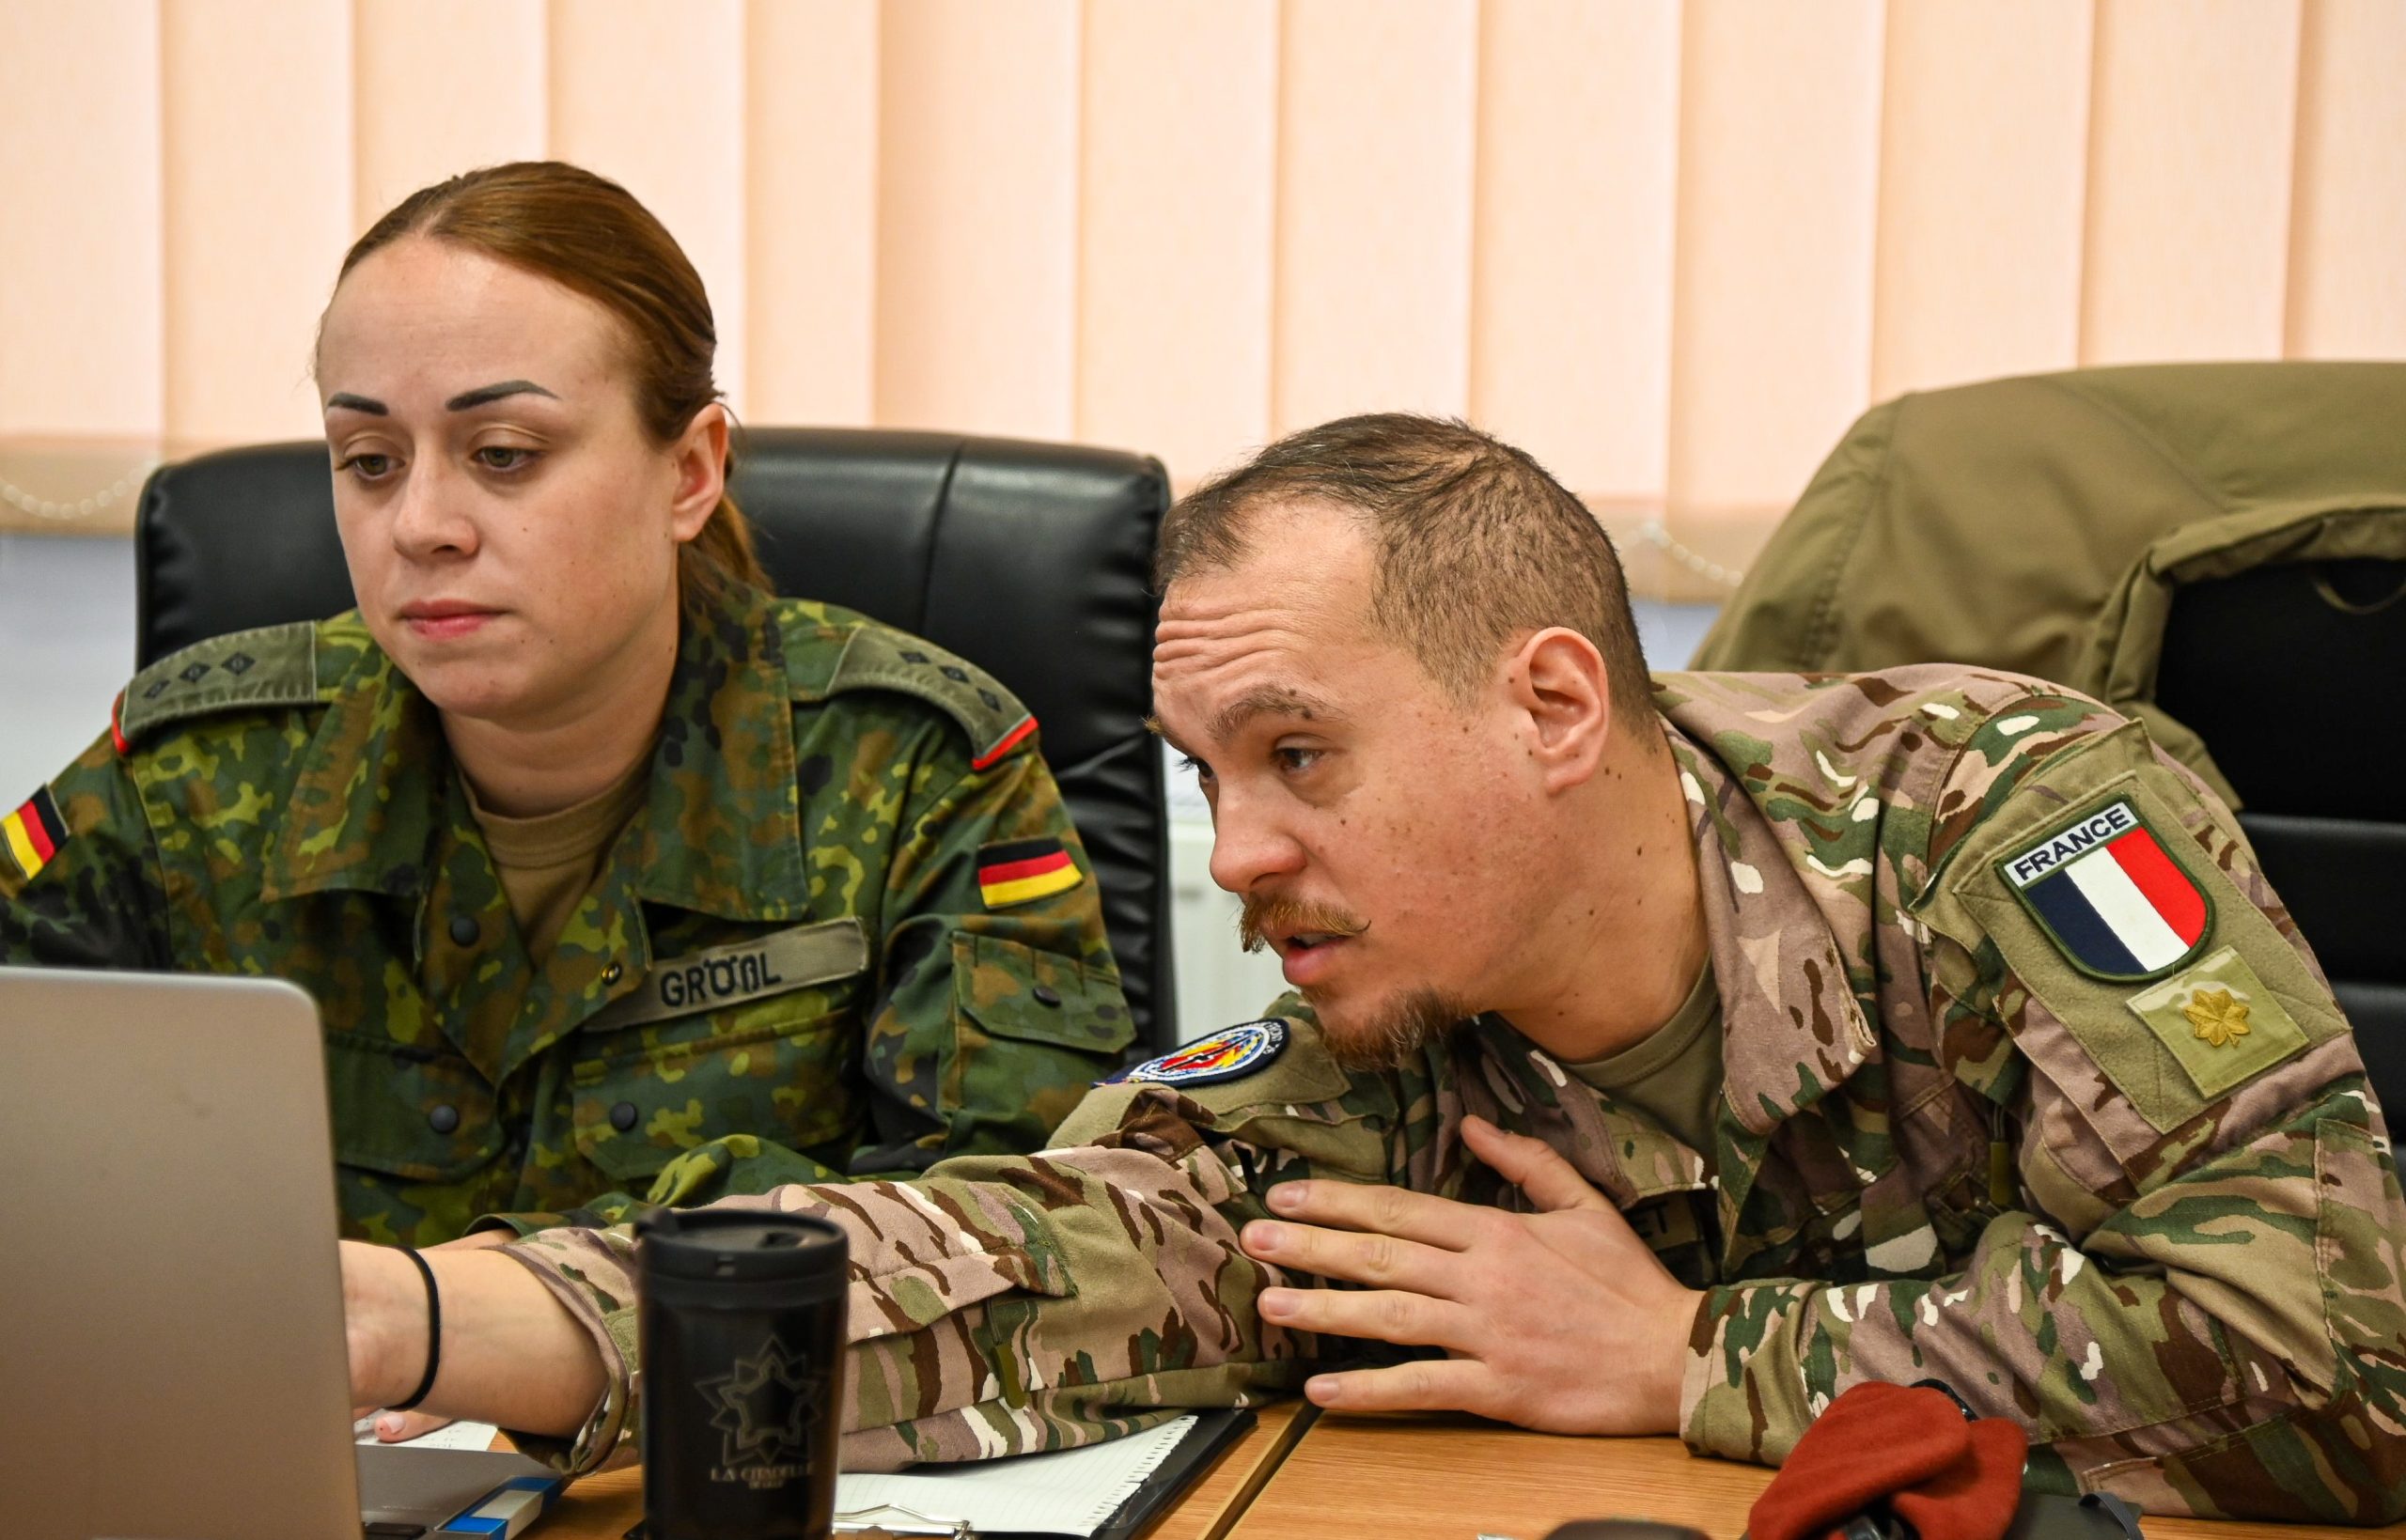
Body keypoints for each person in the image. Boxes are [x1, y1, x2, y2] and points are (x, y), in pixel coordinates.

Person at [334, 414, 2406, 1521]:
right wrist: (432, 1317)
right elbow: (1019, 1257)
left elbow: (2337, 1349)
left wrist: (1697, 1356)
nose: (1234, 856)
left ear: (1552, 704)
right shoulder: (1373, 1031)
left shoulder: (2000, 823)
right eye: (1205, 774)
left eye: (1299, 757)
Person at [0, 163, 1135, 1249]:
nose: (421, 525)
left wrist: (483, 1308)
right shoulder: (192, 775)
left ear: (689, 473)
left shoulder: (914, 772)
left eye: (503, 453)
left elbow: (1021, 1239)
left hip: (736, 1389)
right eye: (370, 460)